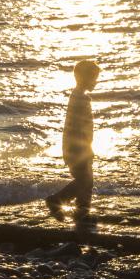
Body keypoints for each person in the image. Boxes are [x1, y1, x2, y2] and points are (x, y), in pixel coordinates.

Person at [46, 59, 100, 222]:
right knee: (84, 180)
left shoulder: (78, 96)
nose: (96, 82)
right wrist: (86, 149)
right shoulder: (81, 99)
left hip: (74, 146)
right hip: (78, 148)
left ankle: (82, 209)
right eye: (94, 78)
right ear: (85, 79)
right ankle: (57, 200)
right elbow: (79, 128)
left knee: (87, 180)